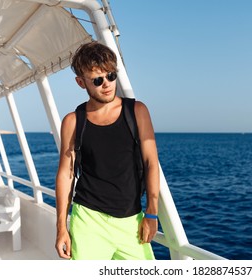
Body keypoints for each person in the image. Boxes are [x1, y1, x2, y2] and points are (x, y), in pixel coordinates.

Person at [55, 41, 160, 260]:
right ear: (81, 82)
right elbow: (66, 174)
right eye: (97, 80)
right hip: (88, 219)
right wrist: (61, 228)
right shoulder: (73, 121)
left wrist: (151, 212)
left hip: (131, 221)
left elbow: (151, 163)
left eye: (111, 76)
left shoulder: (137, 111)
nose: (107, 84)